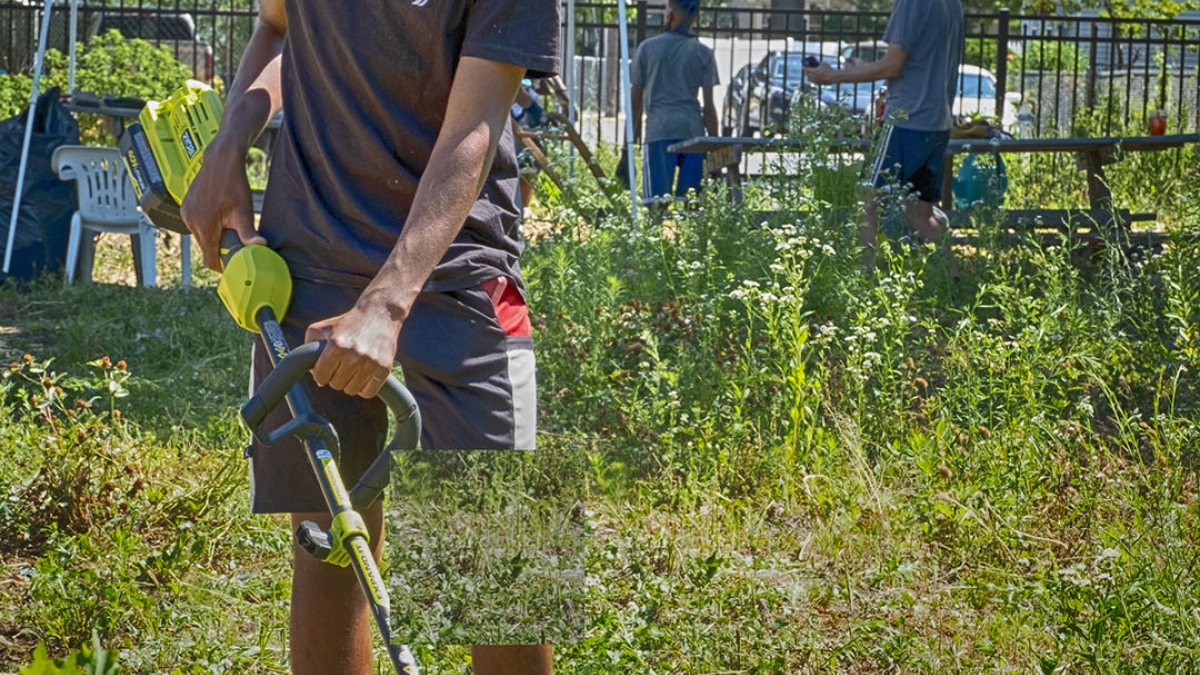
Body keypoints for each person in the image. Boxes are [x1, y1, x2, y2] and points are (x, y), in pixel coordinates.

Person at [179, 1, 559, 674]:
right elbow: (278, 24)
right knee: (326, 545)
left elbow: (474, 124)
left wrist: (387, 301)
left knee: (502, 571)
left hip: (459, 272)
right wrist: (229, 141)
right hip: (311, 261)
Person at [804, 0, 964, 269]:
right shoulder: (952, 4)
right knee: (920, 214)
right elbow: (918, 66)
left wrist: (834, 76)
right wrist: (861, 67)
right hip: (937, 122)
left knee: (866, 201)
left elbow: (892, 66)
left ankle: (864, 278)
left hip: (907, 120)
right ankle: (955, 280)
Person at [630, 0, 720, 203]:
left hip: (659, 130)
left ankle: (655, 232)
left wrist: (628, 143)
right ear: (695, 17)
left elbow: (635, 101)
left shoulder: (647, 49)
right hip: (693, 132)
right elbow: (709, 109)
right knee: (691, 202)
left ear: (670, 14)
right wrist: (714, 147)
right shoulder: (704, 53)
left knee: (656, 200)